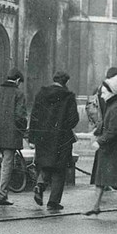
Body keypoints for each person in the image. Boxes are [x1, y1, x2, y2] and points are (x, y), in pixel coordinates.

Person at [84, 72, 117, 218]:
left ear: (111, 92)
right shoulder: (114, 105)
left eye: (103, 92)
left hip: (116, 148)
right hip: (116, 148)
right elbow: (109, 126)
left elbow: (112, 131)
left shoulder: (115, 108)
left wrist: (99, 141)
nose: (101, 96)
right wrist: (98, 131)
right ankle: (97, 206)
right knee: (105, 176)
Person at [29, 71, 80, 212]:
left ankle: (40, 185)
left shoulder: (41, 94)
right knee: (60, 169)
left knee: (45, 163)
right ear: (66, 82)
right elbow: (73, 119)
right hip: (61, 137)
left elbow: (34, 116)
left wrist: (32, 138)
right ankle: (53, 201)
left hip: (43, 136)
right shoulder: (68, 96)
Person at [0, 68, 27, 206]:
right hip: (11, 134)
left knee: (5, 162)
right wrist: (23, 130)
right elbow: (20, 116)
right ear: (18, 80)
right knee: (7, 164)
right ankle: (2, 196)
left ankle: (3, 194)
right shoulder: (18, 94)